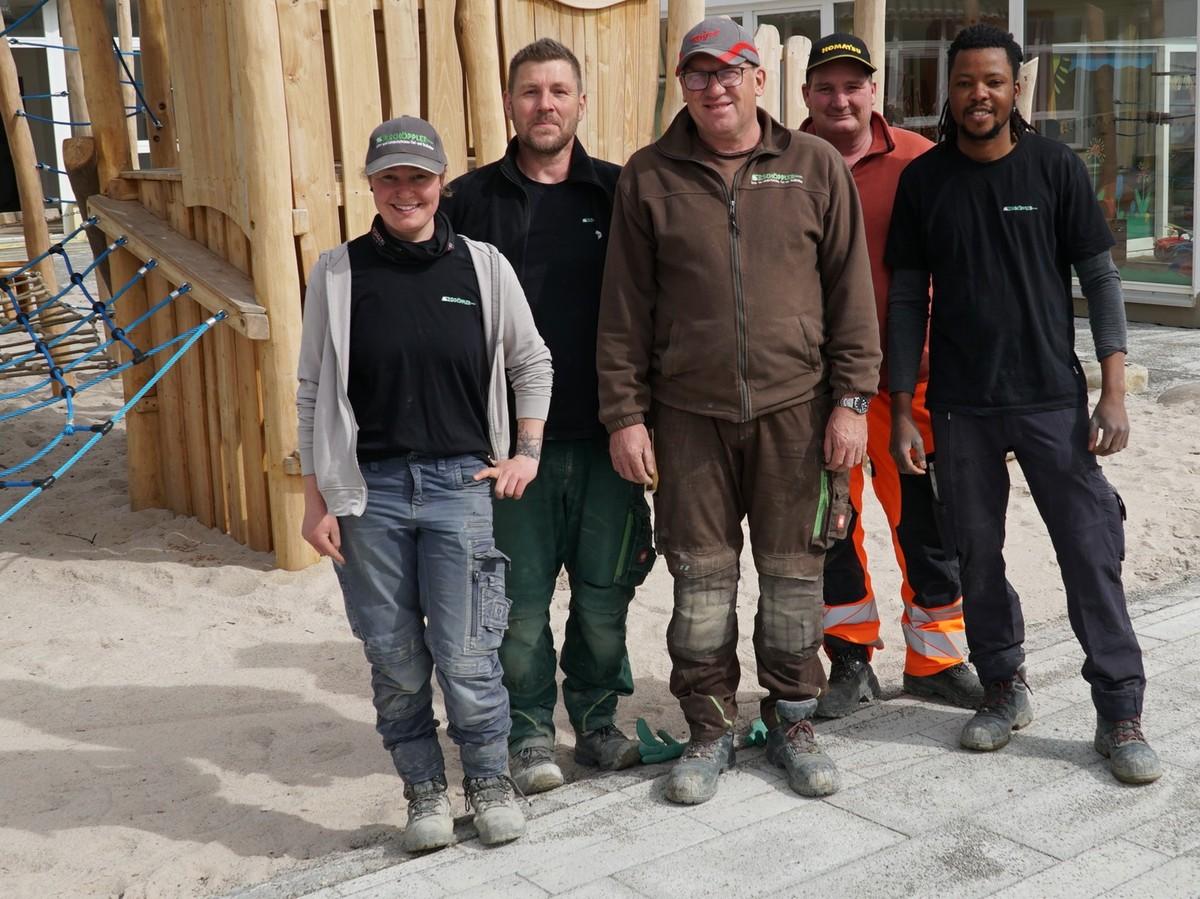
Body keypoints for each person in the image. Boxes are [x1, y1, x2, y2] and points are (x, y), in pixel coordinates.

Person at [597, 16, 880, 806]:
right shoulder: (648, 177)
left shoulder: (815, 166)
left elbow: (851, 296)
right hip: (687, 415)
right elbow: (623, 311)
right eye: (698, 74)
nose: (714, 87)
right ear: (681, 85)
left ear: (759, 78)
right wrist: (624, 414)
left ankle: (793, 720)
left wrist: (852, 402)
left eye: (729, 71)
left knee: (794, 577)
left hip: (799, 411)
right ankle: (710, 728)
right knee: (700, 581)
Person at [887, 25, 1161, 785]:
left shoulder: (1055, 167)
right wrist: (902, 407)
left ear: (1016, 90)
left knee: (1088, 551)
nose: (979, 94)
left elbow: (1101, 280)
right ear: (949, 91)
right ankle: (1003, 685)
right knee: (976, 553)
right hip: (959, 405)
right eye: (965, 82)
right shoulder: (925, 181)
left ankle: (1120, 709)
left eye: (993, 82)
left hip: (1050, 399)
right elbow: (906, 299)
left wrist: (1113, 389)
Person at [296, 115, 554, 851]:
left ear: (442, 182)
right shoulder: (337, 273)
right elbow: (312, 391)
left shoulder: (484, 267)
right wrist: (315, 501)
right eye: (390, 178)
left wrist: (527, 451)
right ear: (371, 185)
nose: (404, 191)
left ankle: (489, 782)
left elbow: (531, 361)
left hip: (459, 486)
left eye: (419, 177)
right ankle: (424, 792)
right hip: (366, 492)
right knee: (394, 657)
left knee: (469, 654)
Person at [444, 38, 653, 794]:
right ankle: (529, 731)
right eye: (530, 91)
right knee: (519, 605)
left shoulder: (620, 194)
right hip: (507, 449)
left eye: (559, 91)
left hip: (607, 436)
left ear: (581, 103)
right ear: (509, 103)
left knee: (603, 595)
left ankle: (596, 719)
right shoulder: (467, 203)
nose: (545, 105)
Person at [799, 33, 983, 717]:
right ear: (806, 94)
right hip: (815, 387)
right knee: (829, 527)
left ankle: (938, 659)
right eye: (826, 87)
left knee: (928, 524)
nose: (840, 99)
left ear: (873, 91)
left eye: (853, 86)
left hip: (912, 380)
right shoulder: (783, 163)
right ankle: (849, 660)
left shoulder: (919, 160)